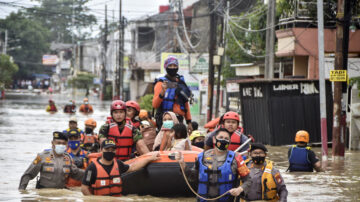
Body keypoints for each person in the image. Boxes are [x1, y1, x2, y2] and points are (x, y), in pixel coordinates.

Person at [177, 128, 252, 201]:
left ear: (230, 141)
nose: (223, 140)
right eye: (220, 137)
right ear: (214, 139)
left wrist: (239, 189)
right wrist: (182, 163)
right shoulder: (202, 157)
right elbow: (192, 177)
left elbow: (248, 180)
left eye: (226, 138)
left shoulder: (236, 158)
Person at [81, 139, 160, 196]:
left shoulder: (118, 164)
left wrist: (149, 158)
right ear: (101, 150)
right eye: (107, 149)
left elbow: (133, 167)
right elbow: (84, 188)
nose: (110, 151)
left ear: (115, 151)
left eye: (112, 149)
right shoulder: (92, 168)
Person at [19, 132, 84, 190]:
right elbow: (28, 175)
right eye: (58, 143)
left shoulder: (68, 158)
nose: (61, 145)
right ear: (52, 143)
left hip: (61, 193)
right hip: (44, 192)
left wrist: (91, 173)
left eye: (63, 143)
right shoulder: (42, 156)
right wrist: (22, 191)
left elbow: (77, 174)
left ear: (66, 145)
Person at [152, 56, 193, 132]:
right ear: (166, 67)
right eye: (170, 66)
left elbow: (185, 104)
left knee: (179, 141)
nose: (172, 68)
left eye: (175, 66)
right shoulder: (161, 83)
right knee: (167, 140)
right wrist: (163, 92)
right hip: (166, 119)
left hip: (179, 119)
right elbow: (155, 105)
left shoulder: (181, 83)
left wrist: (189, 122)